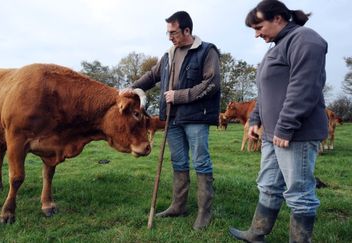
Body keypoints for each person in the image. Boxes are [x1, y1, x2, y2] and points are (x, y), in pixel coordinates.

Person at [229, 0, 328, 242]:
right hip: (272, 134)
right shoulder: (277, 47)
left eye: (258, 26)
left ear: (278, 19)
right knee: (268, 185)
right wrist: (255, 119)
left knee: (299, 193)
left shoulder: (305, 39)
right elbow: (266, 92)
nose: (256, 34)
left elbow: (304, 88)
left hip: (295, 135)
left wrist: (285, 127)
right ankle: (257, 233)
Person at [124, 11, 221, 230]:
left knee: (201, 162)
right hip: (172, 119)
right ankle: (179, 206)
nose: (169, 37)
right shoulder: (168, 55)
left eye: (173, 32)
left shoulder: (207, 51)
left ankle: (204, 212)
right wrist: (131, 88)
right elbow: (152, 75)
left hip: (196, 117)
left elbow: (212, 83)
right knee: (178, 162)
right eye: (167, 32)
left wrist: (179, 96)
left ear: (187, 30)